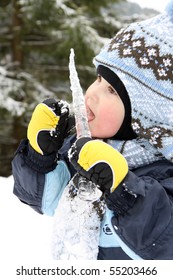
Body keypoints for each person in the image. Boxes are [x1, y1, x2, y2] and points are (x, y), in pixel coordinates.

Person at [12, 0, 173, 260]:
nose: (93, 93)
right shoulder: (83, 148)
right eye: (98, 79)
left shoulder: (164, 171)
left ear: (148, 116)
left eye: (111, 90)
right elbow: (46, 201)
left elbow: (163, 244)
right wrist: (40, 158)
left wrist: (124, 191)